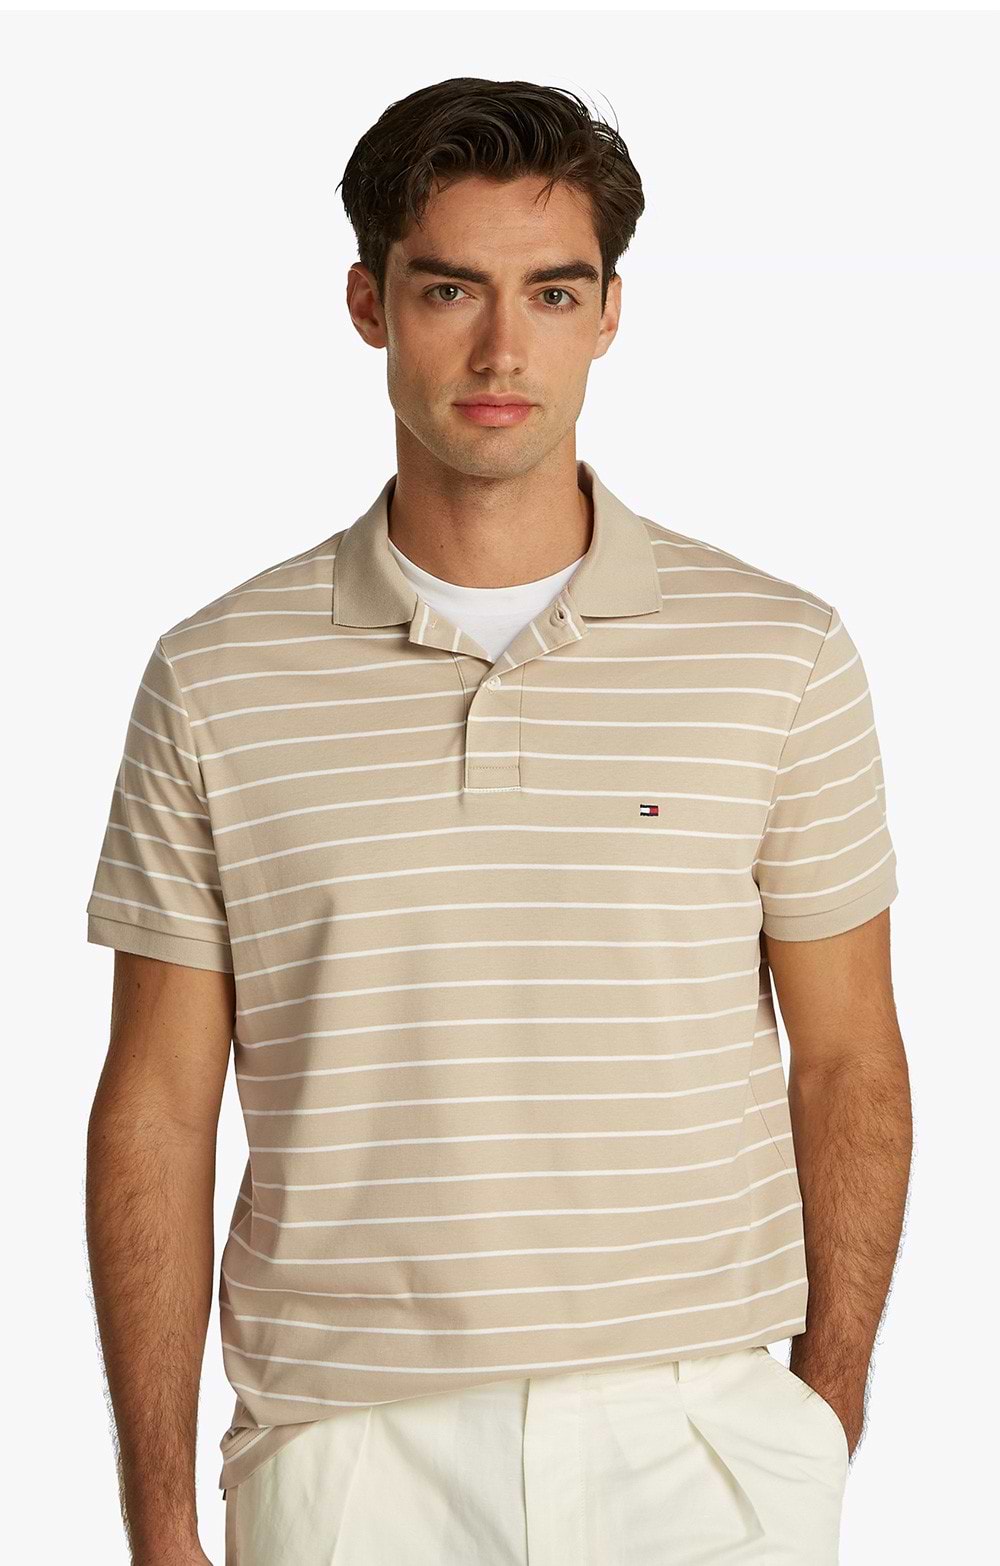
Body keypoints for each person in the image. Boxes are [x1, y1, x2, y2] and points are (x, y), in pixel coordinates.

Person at [84, 76, 912, 1566]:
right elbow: (154, 1104)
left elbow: (851, 1056)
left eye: (553, 291)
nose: (501, 350)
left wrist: (820, 1416)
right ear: (369, 302)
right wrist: (157, 1518)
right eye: (450, 288)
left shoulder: (777, 654)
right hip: (348, 1452)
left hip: (700, 1441)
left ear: (610, 314)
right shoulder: (215, 678)